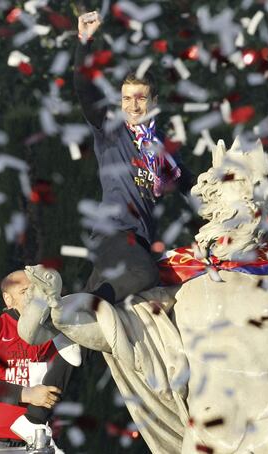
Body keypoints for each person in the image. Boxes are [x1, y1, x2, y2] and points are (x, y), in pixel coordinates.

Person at [75, 10, 194, 304]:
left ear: (154, 102)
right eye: (126, 98)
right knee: (146, 276)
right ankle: (91, 307)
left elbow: (190, 185)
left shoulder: (163, 146)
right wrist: (84, 41)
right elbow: (83, 89)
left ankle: (73, 326)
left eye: (141, 97)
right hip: (113, 234)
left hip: (140, 242)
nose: (133, 105)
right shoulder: (111, 130)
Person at [0, 270, 71, 451]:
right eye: (24, 292)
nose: (33, 297)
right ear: (8, 299)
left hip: (37, 442)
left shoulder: (56, 333)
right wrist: (27, 394)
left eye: (36, 290)